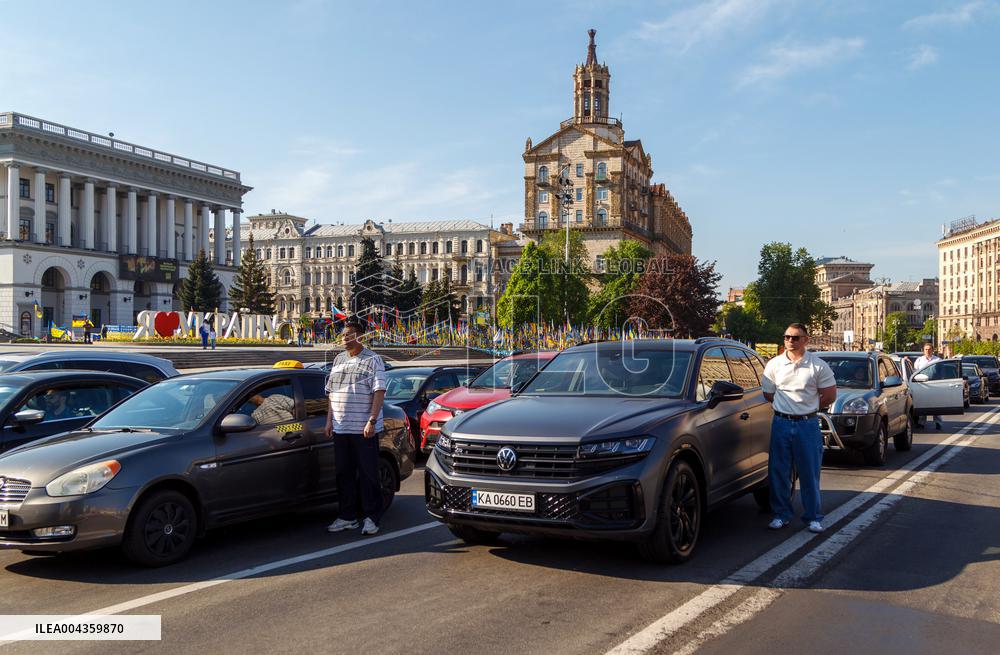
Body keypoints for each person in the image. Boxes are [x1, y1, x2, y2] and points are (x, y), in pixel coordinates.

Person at [761, 323, 837, 534]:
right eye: (787, 337)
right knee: (779, 471)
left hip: (807, 424)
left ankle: (813, 517)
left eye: (795, 337)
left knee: (809, 472)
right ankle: (781, 514)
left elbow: (830, 395)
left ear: (806, 339)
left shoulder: (818, 365)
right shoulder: (774, 364)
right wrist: (786, 407)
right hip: (781, 423)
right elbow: (768, 393)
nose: (790, 341)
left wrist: (806, 407)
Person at [325, 318, 387, 536]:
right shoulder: (338, 360)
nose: (344, 339)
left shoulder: (373, 360)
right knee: (344, 474)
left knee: (369, 474)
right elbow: (332, 392)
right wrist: (329, 420)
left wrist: (372, 420)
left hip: (363, 429)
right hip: (341, 428)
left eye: (348, 335)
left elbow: (379, 391)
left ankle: (372, 517)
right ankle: (347, 516)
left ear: (360, 337)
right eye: (343, 335)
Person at [913, 342, 943, 430]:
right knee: (923, 404)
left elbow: (942, 372)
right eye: (926, 349)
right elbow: (915, 372)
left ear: (932, 350)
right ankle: (921, 422)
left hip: (934, 385)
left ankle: (938, 422)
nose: (927, 351)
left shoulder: (937, 360)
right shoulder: (919, 360)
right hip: (922, 385)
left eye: (929, 349)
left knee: (936, 404)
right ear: (923, 350)